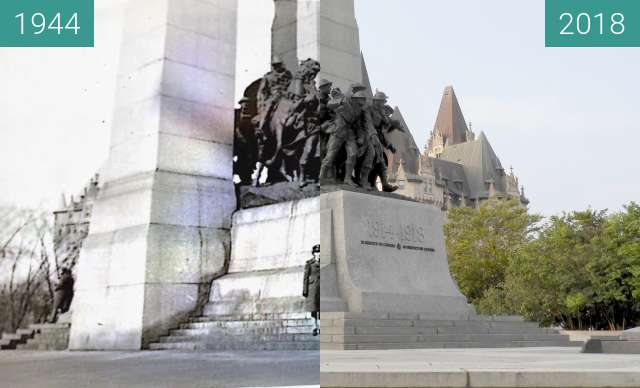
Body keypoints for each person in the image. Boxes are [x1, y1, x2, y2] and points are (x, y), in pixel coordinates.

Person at [303, 244, 321, 336]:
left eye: (320, 252)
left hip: (322, 288)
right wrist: (305, 290)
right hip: (312, 289)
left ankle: (321, 326)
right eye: (317, 252)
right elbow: (305, 277)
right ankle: (314, 326)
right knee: (313, 309)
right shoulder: (309, 264)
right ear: (314, 253)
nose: (319, 254)